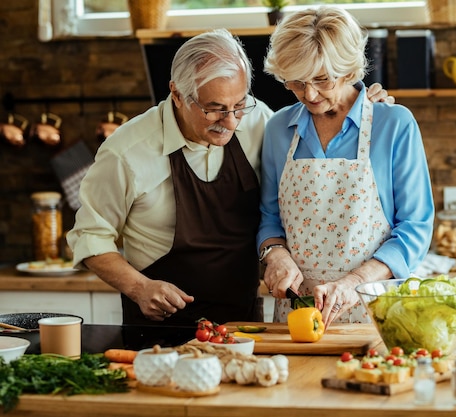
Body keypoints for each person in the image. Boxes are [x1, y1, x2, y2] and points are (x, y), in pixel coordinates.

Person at [67, 28, 391, 326]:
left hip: (245, 324)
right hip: (161, 329)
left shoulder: (259, 121)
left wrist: (360, 106)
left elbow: (314, 125)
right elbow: (90, 237)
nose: (231, 121)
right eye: (214, 108)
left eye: (239, 105)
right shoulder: (126, 153)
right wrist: (139, 287)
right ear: (177, 94)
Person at [257, 6, 435, 327]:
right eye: (295, 82)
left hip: (377, 306)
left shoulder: (393, 124)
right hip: (299, 313)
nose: (309, 94)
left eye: (322, 79)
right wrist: (275, 255)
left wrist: (355, 282)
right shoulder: (278, 129)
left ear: (349, 69)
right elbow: (270, 218)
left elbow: (416, 226)